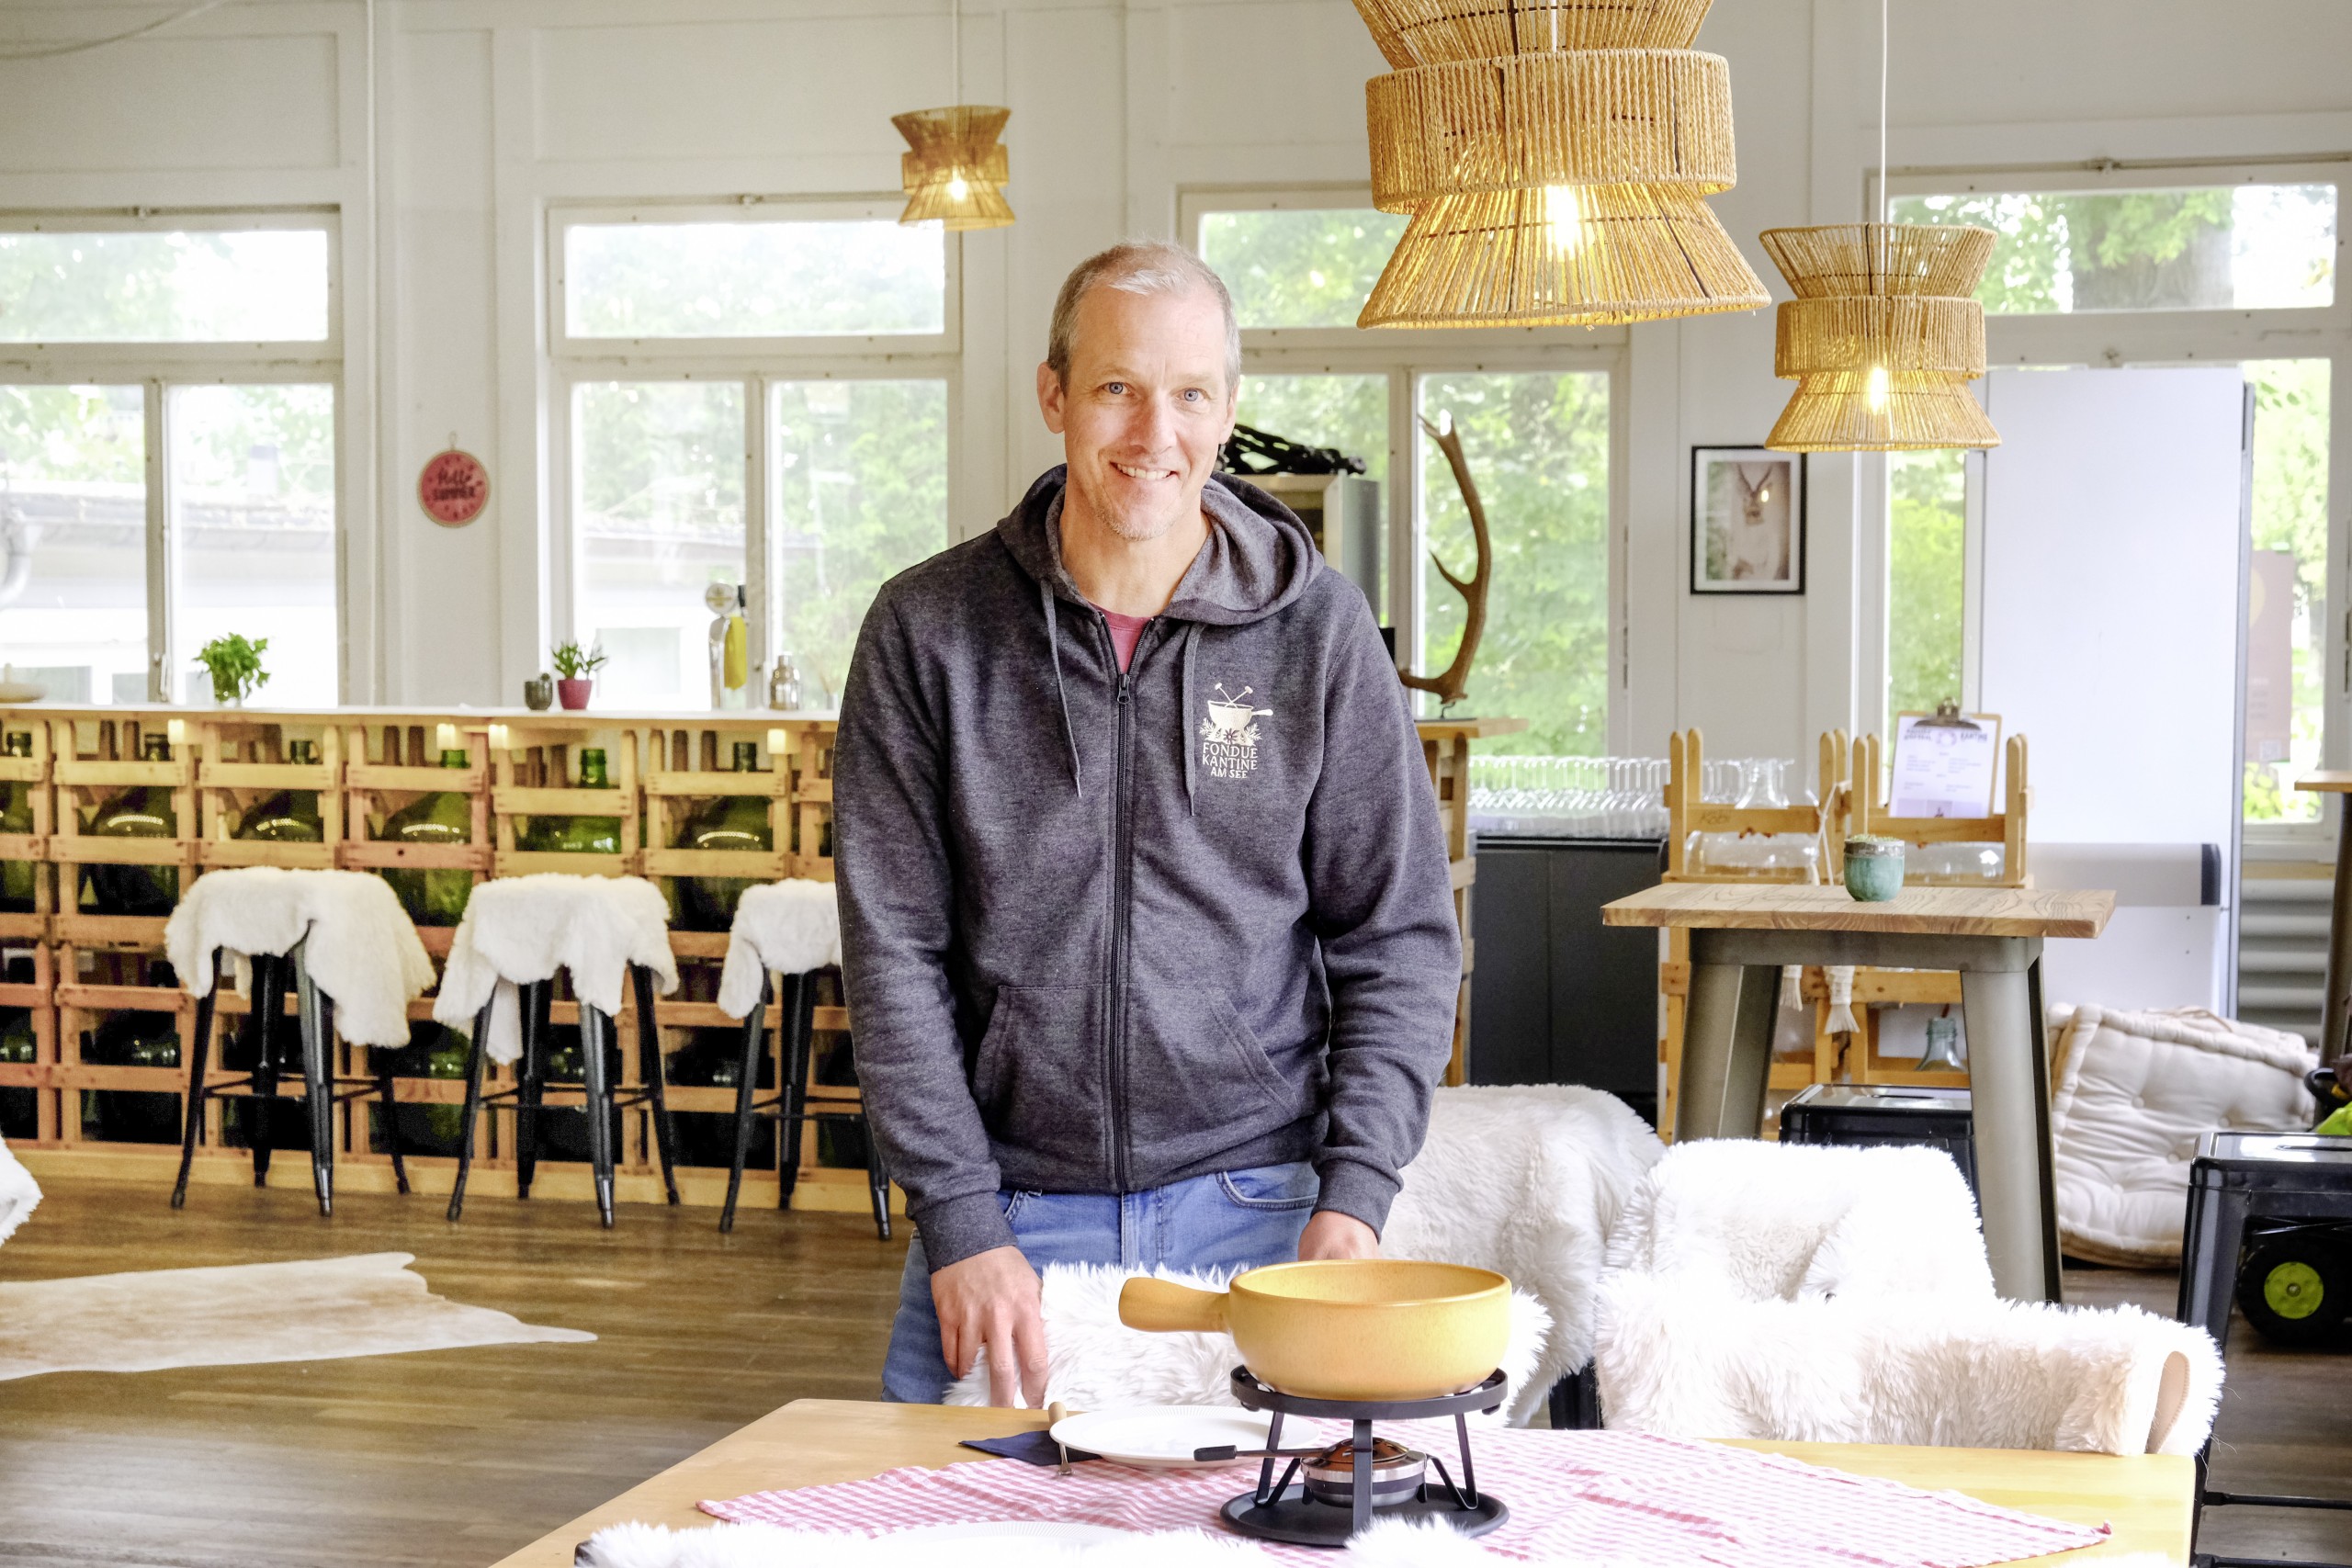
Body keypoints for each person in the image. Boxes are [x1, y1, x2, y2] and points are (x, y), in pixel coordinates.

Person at [834, 239, 1461, 1407]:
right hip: (1004, 1224)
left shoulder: (1318, 633)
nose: (1152, 433)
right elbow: (893, 959)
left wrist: (1354, 1196)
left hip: (1261, 1212)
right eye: (1118, 387)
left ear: (1227, 410)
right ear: (1055, 394)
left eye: (1189, 394)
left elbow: (1399, 938)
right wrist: (962, 1221)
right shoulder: (929, 633)